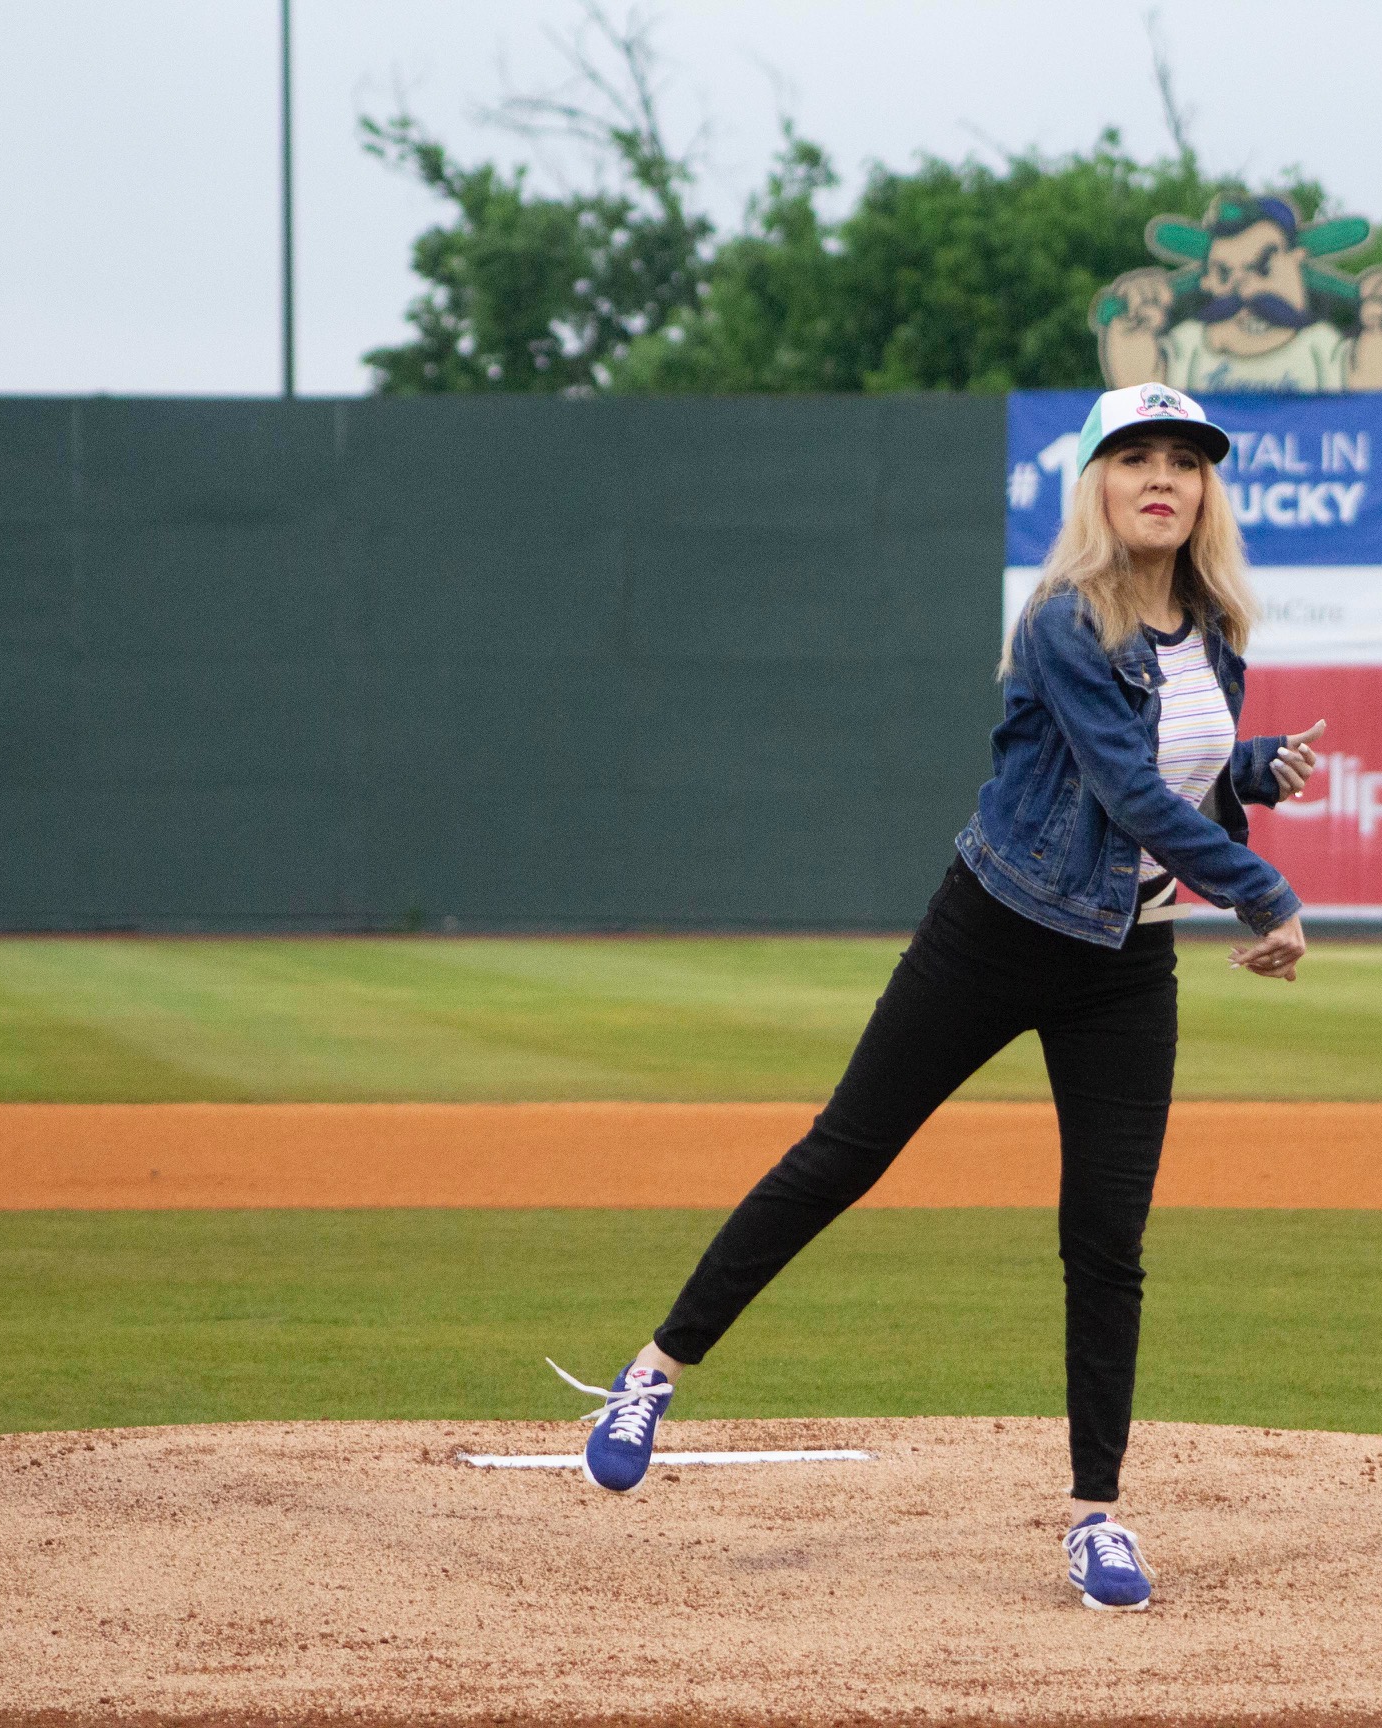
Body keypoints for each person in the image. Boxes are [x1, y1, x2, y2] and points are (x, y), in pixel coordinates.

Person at [556, 382, 1325, 1614]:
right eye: (1137, 457)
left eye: (1185, 460)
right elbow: (1124, 792)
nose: (1164, 478)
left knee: (1108, 1239)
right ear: (1098, 484)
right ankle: (654, 1369)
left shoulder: (1215, 626)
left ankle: (1095, 1517)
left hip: (1126, 959)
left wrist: (1248, 774)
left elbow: (1175, 773)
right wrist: (1263, 890)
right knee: (843, 1155)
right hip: (1002, 925)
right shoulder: (1068, 622)